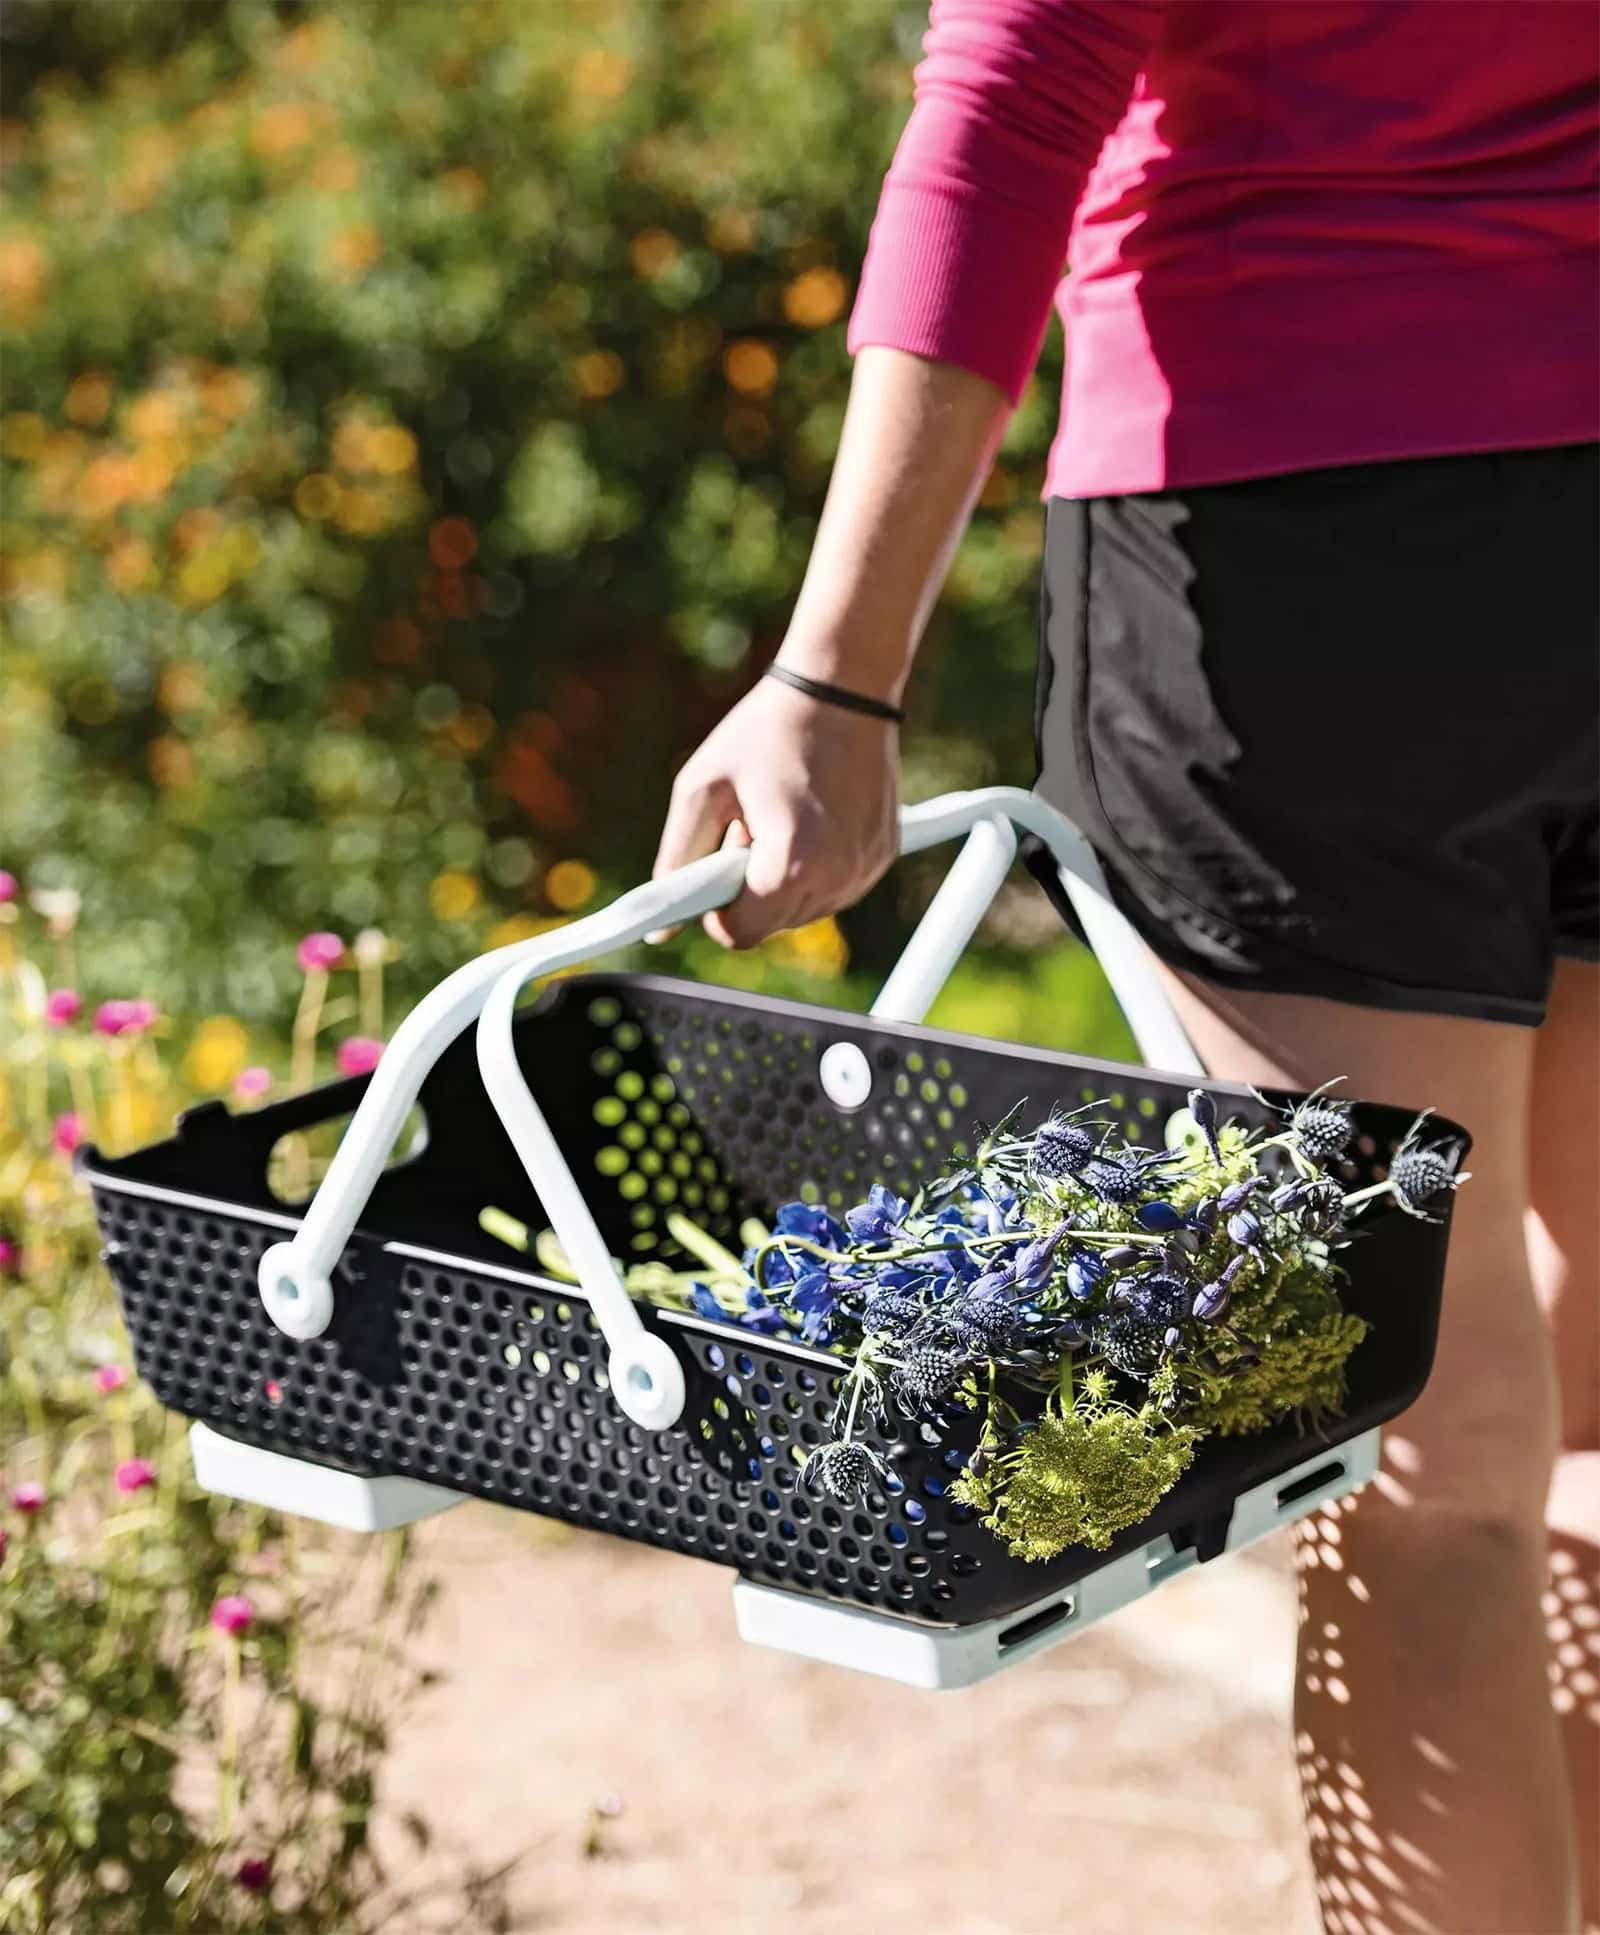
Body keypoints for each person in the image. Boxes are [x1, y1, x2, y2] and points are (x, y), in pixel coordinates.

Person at [651, 6, 1598, 1931]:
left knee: (1432, 1462)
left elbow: (1017, 82)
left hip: (1308, 542)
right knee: (1585, 1414)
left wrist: (835, 674)